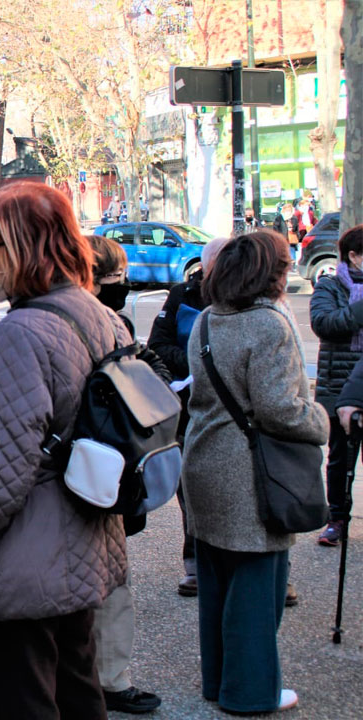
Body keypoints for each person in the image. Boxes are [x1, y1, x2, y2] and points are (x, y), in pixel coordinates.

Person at [0, 182, 127, 720]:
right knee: (77, 682)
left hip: (30, 551)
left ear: (22, 249)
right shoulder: (97, 313)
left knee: (29, 696)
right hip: (87, 529)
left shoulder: (23, 332)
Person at [182, 230, 327, 714]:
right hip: (250, 471)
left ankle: (220, 682)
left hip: (202, 462)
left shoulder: (205, 320)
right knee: (257, 587)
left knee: (217, 582)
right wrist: (321, 418)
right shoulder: (269, 325)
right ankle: (250, 693)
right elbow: (280, 409)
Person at [87, 235, 166, 715]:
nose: (124, 286)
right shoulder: (98, 325)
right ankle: (106, 680)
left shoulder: (114, 324)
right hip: (97, 471)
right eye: (116, 278)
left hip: (107, 471)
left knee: (109, 581)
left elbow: (152, 369)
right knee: (104, 583)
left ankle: (107, 677)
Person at [147, 237, 231, 598]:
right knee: (191, 489)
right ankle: (195, 564)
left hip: (231, 413)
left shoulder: (246, 299)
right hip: (187, 407)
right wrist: (198, 361)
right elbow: (158, 347)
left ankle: (260, 564)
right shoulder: (183, 294)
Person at [310, 225, 363, 547]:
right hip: (339, 385)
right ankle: (337, 519)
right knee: (341, 458)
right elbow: (325, 324)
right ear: (354, 256)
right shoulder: (329, 285)